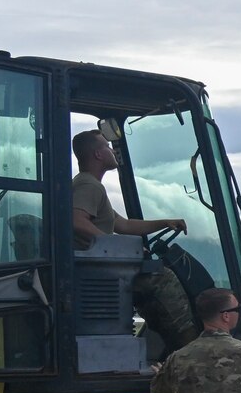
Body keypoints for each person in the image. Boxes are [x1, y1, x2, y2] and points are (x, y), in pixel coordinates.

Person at [71, 128, 200, 353]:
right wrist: (119, 248)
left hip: (100, 268)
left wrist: (165, 222)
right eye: (107, 147)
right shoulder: (88, 185)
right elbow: (77, 221)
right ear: (98, 155)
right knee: (163, 277)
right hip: (98, 273)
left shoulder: (90, 185)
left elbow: (125, 225)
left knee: (149, 278)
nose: (112, 151)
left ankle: (169, 345)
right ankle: (190, 348)